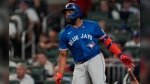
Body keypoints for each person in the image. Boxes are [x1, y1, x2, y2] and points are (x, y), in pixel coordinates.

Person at [55, 3, 135, 84]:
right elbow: (63, 55)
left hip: (94, 59)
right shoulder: (64, 33)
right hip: (79, 65)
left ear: (76, 12)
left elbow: (108, 42)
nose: (67, 15)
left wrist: (120, 55)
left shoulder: (92, 25)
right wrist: (60, 73)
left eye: (69, 12)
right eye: (66, 13)